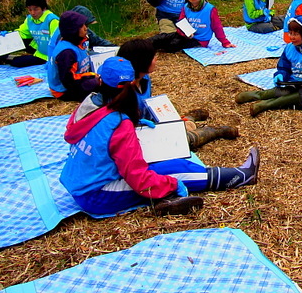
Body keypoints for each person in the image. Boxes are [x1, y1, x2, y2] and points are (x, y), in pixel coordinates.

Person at [59, 56, 260, 217]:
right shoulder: (118, 123)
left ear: (100, 80)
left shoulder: (89, 103)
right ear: (133, 83)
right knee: (174, 174)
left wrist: (135, 125)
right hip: (97, 193)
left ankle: (229, 173)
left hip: (81, 178)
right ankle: (240, 176)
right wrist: (170, 185)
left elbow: (96, 130)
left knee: (175, 164)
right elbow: (138, 178)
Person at [117, 39, 239, 150]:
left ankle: (188, 119)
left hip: (151, 124)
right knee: (182, 141)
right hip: (137, 135)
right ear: (142, 61)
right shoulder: (122, 91)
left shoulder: (145, 79)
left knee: (175, 125)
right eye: (153, 56)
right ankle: (212, 132)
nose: (156, 59)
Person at [237, 16, 302, 117]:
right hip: (294, 83)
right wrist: (280, 75)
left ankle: (267, 105)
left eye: (296, 34)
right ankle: (258, 95)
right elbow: (284, 68)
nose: (292, 37)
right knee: (283, 90)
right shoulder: (289, 48)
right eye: (290, 33)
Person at [150, 0, 236, 52]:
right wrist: (185, 33)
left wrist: (225, 42)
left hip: (199, 39)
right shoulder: (186, 7)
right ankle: (141, 47)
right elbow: (181, 22)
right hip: (186, 35)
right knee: (162, 38)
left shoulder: (210, 9)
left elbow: (217, 27)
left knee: (172, 46)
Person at [47, 10, 101, 101]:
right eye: (81, 26)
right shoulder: (67, 53)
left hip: (78, 79)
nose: (85, 28)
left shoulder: (78, 42)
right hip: (64, 90)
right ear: (73, 30)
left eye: (85, 25)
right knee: (102, 85)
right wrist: (91, 77)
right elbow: (68, 81)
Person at [11, 0, 59, 67]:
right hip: (38, 52)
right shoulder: (30, 19)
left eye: (36, 9)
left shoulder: (52, 20)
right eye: (30, 10)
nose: (32, 13)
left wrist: (52, 61)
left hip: (49, 56)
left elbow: (57, 42)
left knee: (16, 62)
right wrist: (7, 35)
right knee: (14, 43)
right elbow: (22, 33)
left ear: (43, 8)